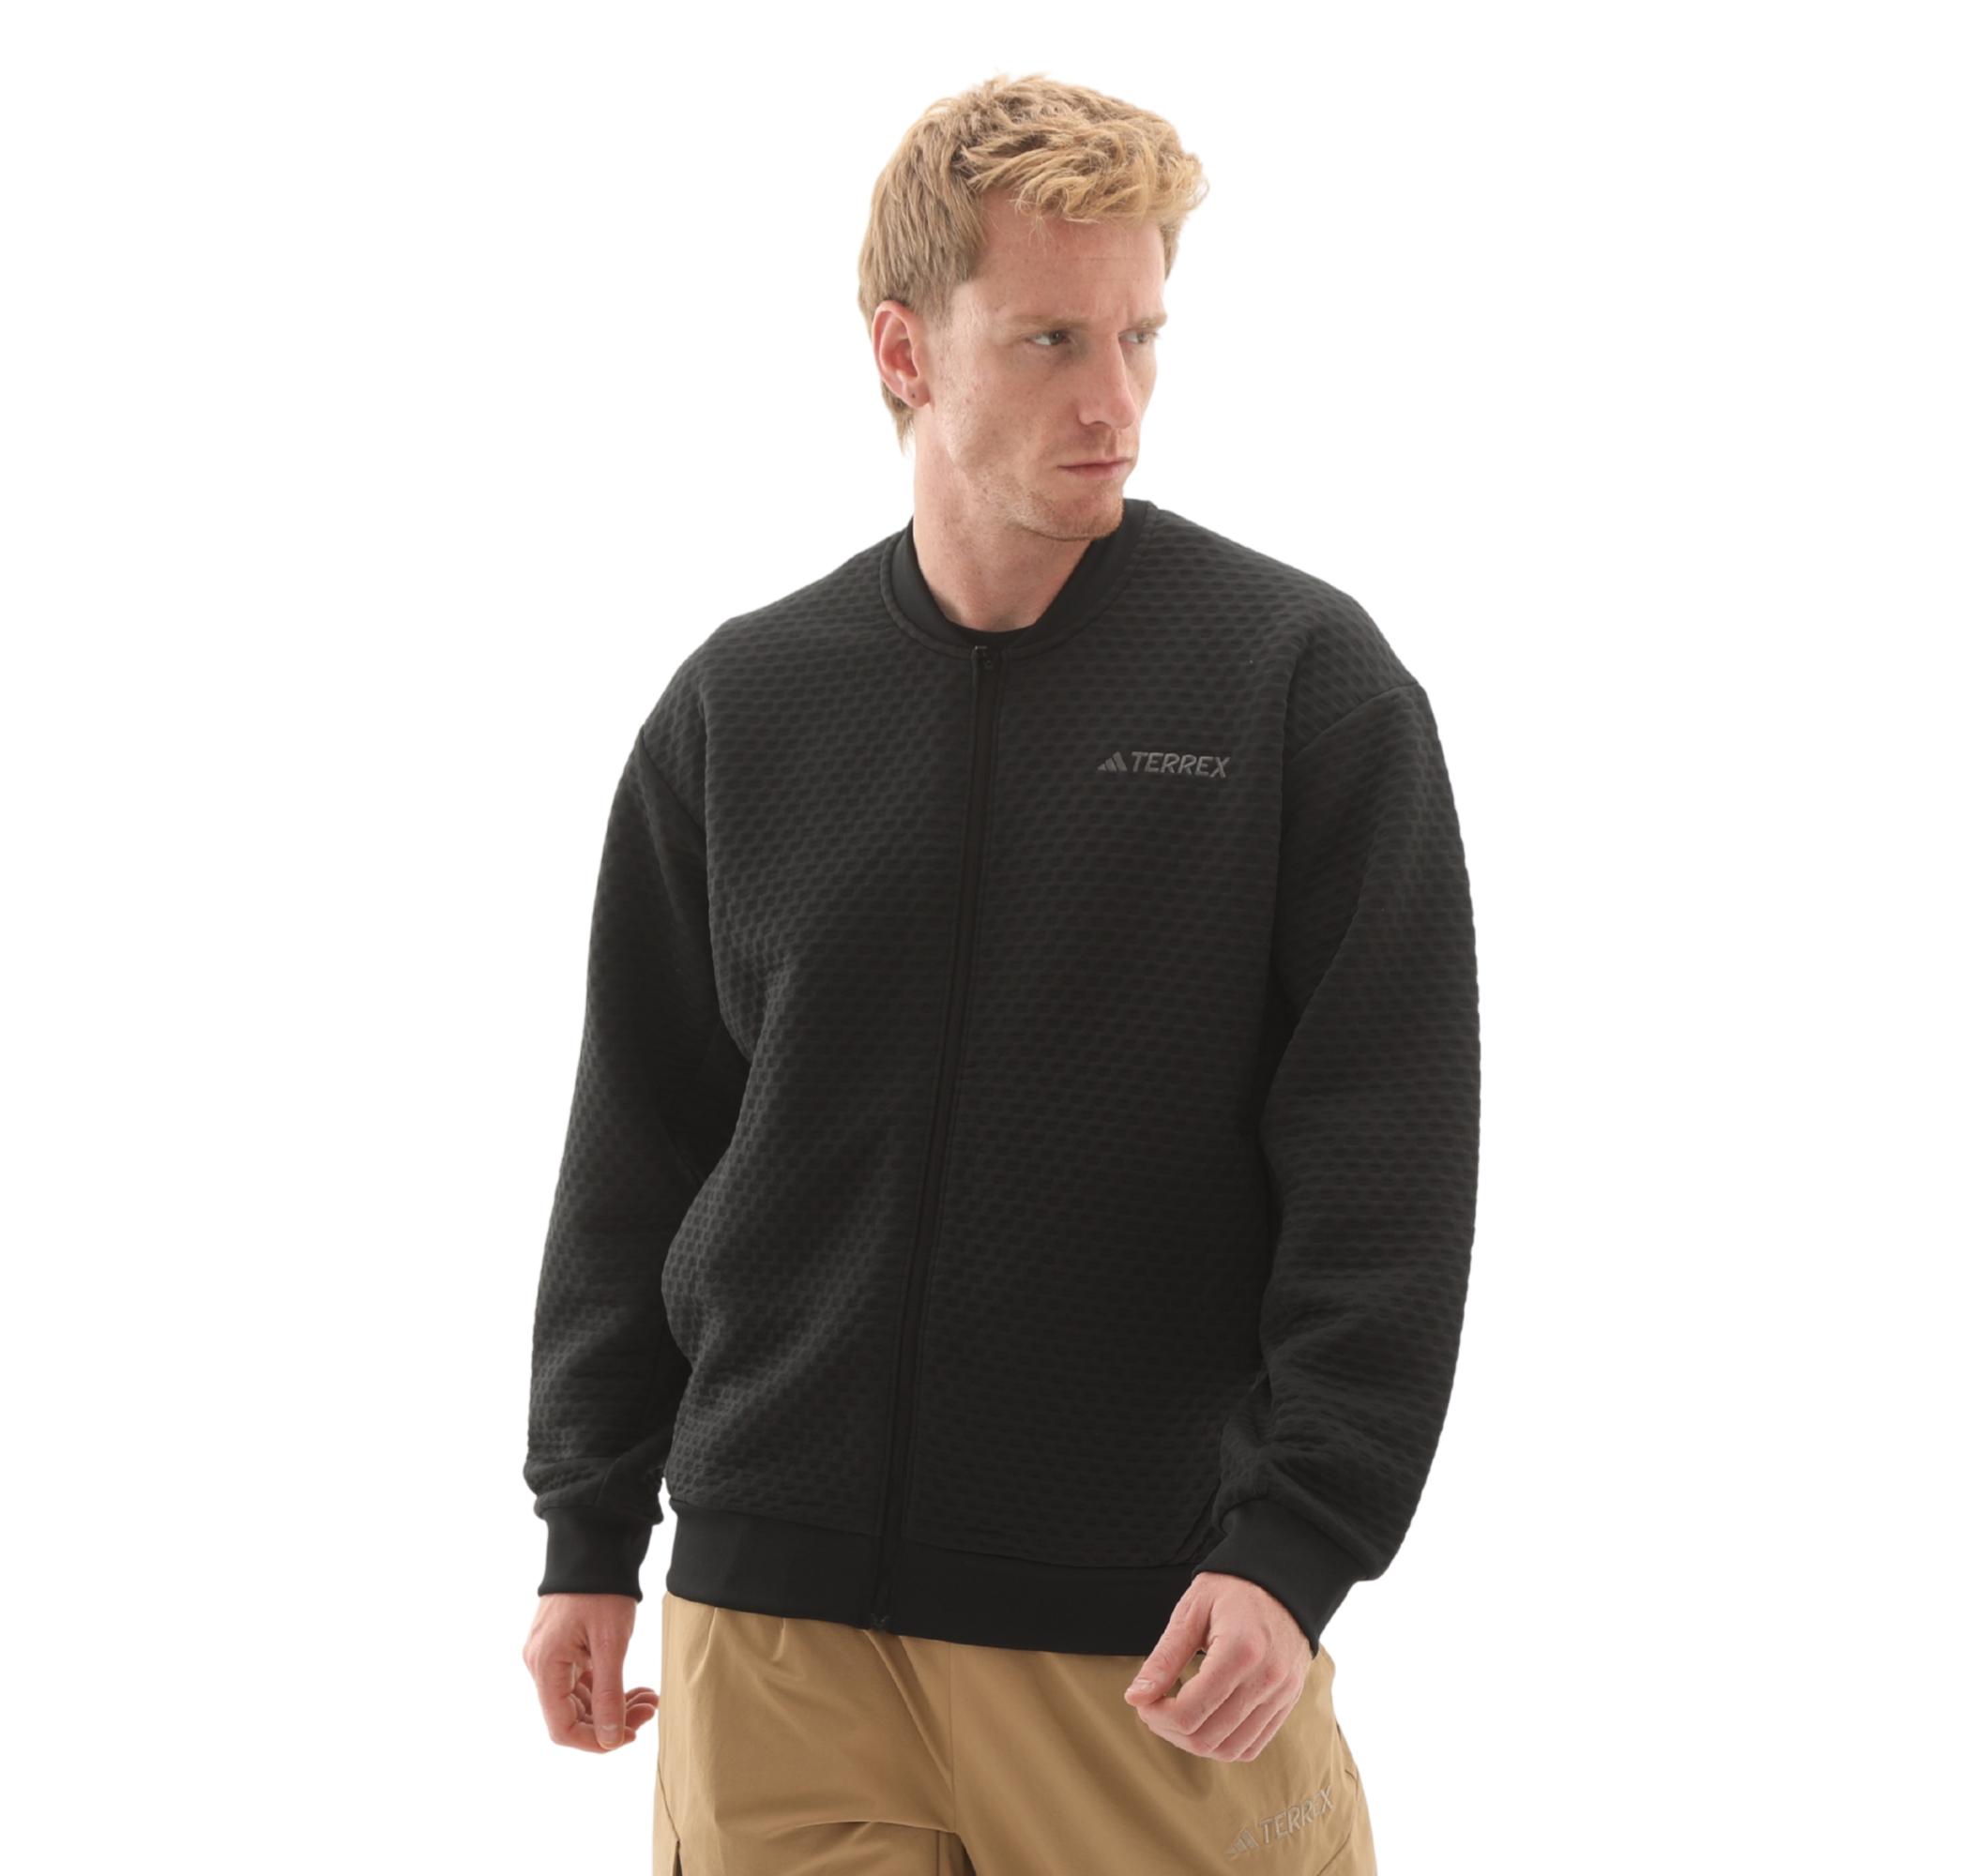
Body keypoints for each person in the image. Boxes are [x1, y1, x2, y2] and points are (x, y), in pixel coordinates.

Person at [521, 70, 1480, 1876]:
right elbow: (638, 1145)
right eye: (1050, 339)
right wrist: (588, 1527)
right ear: (904, 349)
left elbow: (1389, 1164)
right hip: (773, 1639)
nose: (1114, 400)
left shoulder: (1297, 685)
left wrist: (1297, 1545)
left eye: (1139, 336)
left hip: (1151, 1638)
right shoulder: (746, 706)